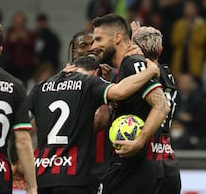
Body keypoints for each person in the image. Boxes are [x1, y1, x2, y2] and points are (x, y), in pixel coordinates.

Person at [29, 54, 160, 194]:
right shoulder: (88, 82)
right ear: (96, 73)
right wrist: (150, 71)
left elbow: (21, 127)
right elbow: (121, 91)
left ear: (69, 67)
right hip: (74, 177)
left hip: (41, 176)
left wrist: (17, 162)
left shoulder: (40, 87)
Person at [91, 13, 170, 194]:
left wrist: (139, 141)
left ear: (117, 37)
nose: (94, 46)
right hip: (136, 163)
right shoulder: (124, 68)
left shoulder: (133, 63)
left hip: (134, 165)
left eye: (98, 39)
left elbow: (162, 105)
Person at [0, 19, 37, 194]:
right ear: (0, 50)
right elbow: (23, 140)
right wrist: (32, 186)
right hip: (0, 174)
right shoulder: (16, 86)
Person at [132, 25, 181, 193]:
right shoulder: (168, 74)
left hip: (145, 156)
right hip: (167, 154)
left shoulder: (142, 73)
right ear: (161, 49)